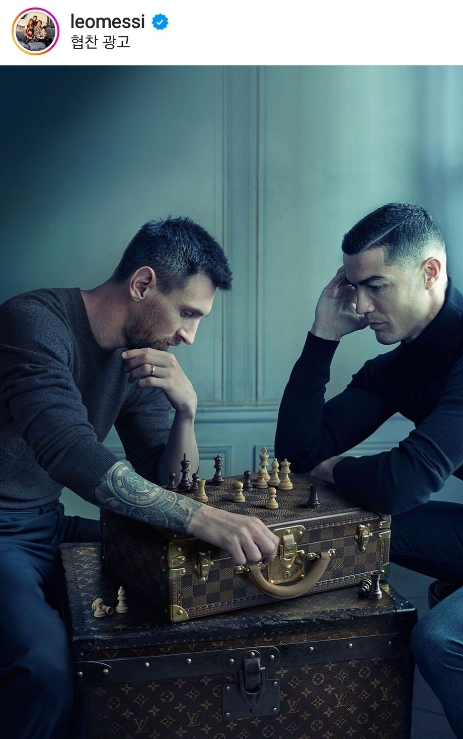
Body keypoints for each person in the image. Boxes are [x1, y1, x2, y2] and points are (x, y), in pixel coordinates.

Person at [0, 216, 279, 739]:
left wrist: (186, 414)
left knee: (182, 576)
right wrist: (201, 517)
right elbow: (68, 451)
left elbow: (166, 479)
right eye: (187, 313)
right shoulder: (32, 322)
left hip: (48, 525)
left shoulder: (142, 358)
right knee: (43, 668)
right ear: (143, 284)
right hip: (3, 534)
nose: (189, 336)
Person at [275, 203, 463, 739]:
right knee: (338, 528)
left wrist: (336, 467)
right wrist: (322, 337)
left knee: (444, 639)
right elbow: (297, 453)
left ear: (430, 272)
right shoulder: (396, 369)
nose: (361, 305)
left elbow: (405, 483)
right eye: (354, 288)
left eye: (376, 286)